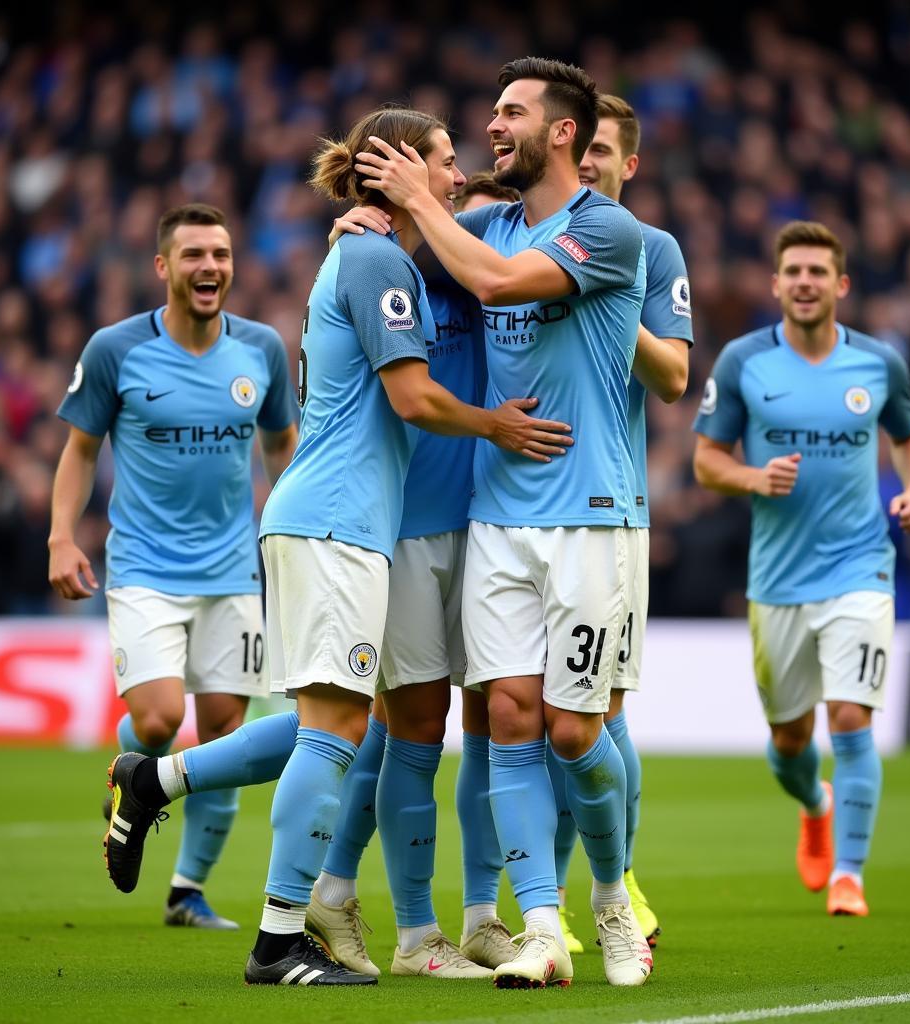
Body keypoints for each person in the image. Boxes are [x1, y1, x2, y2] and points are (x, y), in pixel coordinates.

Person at [100, 107, 574, 988]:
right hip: (336, 522)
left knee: (335, 726)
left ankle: (156, 780)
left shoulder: (373, 251)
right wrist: (496, 427)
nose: (456, 174)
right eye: (442, 161)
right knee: (339, 734)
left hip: (336, 522)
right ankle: (281, 939)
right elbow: (411, 398)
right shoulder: (374, 257)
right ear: (399, 170)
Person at [356, 58, 654, 987]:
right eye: (491, 111)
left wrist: (419, 201)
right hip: (495, 518)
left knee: (573, 731)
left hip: (587, 515)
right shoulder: (483, 218)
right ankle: (538, 925)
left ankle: (611, 895)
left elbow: (490, 283)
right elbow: (416, 265)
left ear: (563, 132)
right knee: (512, 724)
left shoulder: (606, 228)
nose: (493, 125)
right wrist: (370, 229)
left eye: (512, 113)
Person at [50, 203, 299, 929]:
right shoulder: (115, 349)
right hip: (144, 569)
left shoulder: (261, 350)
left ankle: (187, 891)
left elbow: (284, 443)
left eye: (220, 255)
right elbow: (81, 451)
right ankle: (133, 774)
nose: (209, 268)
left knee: (224, 737)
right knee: (158, 721)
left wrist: (288, 529)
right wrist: (61, 538)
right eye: (193, 255)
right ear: (163, 267)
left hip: (232, 572)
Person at [306, 171, 523, 981]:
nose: (461, 218)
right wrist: (357, 226)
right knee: (411, 734)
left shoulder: (494, 272)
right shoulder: (386, 265)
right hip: (401, 532)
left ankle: (476, 917)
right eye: (447, 199)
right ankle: (415, 935)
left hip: (492, 529)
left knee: (495, 730)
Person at [693, 220, 910, 917]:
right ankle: (815, 802)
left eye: (817, 272)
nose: (804, 282)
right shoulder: (743, 361)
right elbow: (708, 461)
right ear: (775, 284)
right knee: (790, 741)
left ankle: (850, 874)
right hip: (777, 580)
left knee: (852, 716)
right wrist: (752, 478)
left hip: (860, 565)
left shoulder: (878, 364)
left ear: (841, 285)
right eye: (793, 271)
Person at [549, 93, 693, 953]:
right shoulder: (526, 229)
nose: (592, 162)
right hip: (511, 507)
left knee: (600, 714)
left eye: (605, 151)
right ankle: (532, 902)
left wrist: (611, 301)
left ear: (628, 164)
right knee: (518, 720)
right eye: (583, 147)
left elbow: (674, 375)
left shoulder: (649, 247)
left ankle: (616, 879)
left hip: (608, 507)